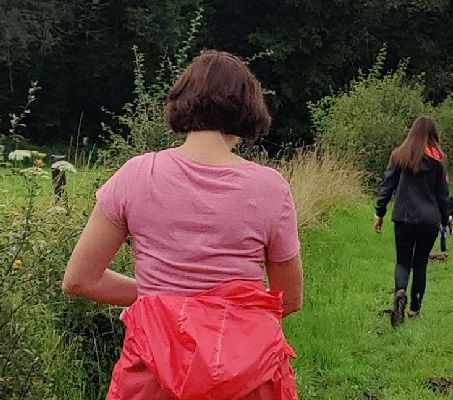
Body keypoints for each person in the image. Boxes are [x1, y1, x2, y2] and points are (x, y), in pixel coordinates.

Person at [61, 50, 304, 400]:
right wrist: (216, 311)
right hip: (245, 381)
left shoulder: (137, 174)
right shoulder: (270, 187)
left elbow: (79, 279)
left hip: (152, 377)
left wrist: (160, 297)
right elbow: (289, 298)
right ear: (249, 108)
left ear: (182, 101)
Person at [373, 116, 450, 325]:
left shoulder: (399, 155)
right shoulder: (438, 160)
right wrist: (445, 221)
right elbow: (443, 195)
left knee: (403, 261)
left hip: (404, 217)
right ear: (433, 135)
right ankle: (415, 309)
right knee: (421, 264)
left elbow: (387, 187)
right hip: (429, 220)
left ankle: (400, 292)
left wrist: (379, 213)